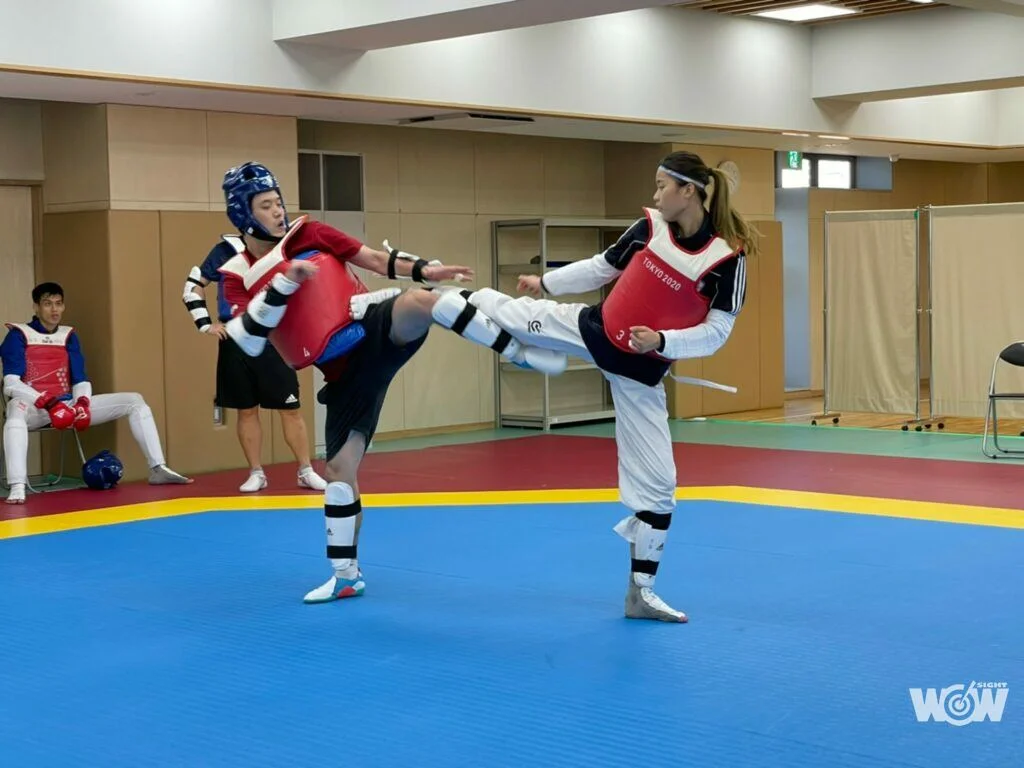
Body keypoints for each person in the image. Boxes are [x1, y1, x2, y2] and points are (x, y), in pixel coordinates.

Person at [215, 162, 568, 605]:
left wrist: (424, 271)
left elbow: (374, 259)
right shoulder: (235, 274)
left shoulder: (309, 233)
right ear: (243, 213)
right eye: (266, 205)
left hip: (371, 329)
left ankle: (519, 354)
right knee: (339, 476)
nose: (278, 211)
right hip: (344, 375)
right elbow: (248, 338)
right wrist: (285, 284)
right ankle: (346, 576)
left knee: (426, 302)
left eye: (278, 202)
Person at [460, 151, 758, 623]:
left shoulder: (726, 260)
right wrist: (546, 282)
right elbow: (602, 267)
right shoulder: (648, 228)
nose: (655, 194)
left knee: (660, 487)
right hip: (591, 331)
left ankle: (640, 594)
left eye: (662, 185)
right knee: (505, 311)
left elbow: (718, 332)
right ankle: (432, 301)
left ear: (689, 191)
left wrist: (663, 340)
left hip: (639, 375)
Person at [1, 282, 192, 504]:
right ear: (36, 307)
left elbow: (80, 379)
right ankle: (17, 486)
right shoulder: (18, 335)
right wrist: (49, 403)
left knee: (135, 401)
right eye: (47, 304)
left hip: (67, 407)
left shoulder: (68, 335)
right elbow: (11, 383)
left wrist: (82, 403)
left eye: (58, 304)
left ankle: (158, 468)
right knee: (14, 413)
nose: (54, 309)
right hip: (34, 408)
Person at [182, 233, 327, 493]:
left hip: (274, 338)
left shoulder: (285, 246)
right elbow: (193, 286)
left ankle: (306, 470)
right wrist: (204, 324)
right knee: (246, 409)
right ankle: (256, 472)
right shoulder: (225, 250)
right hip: (235, 337)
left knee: (290, 408)